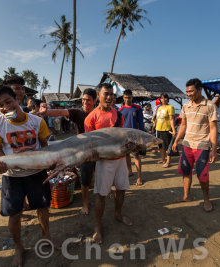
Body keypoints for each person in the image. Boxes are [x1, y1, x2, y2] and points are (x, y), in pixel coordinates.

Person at [0, 85, 57, 266]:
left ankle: (46, 236)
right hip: (12, 176)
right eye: (0, 105)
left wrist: (51, 162)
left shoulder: (36, 121)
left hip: (36, 172)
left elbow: (45, 145)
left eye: (8, 102)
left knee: (42, 207)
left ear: (17, 99)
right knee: (15, 213)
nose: (5, 107)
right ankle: (18, 247)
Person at [84, 83, 131, 244]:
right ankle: (98, 226)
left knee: (122, 189)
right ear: (98, 95)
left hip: (120, 160)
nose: (110, 97)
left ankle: (117, 214)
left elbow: (122, 137)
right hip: (104, 162)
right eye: (106, 94)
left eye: (111, 94)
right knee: (101, 195)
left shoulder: (119, 115)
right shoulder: (91, 117)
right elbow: (89, 145)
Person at [39, 88, 97, 215]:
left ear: (95, 101)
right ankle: (85, 203)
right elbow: (62, 111)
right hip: (84, 153)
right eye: (83, 99)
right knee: (85, 180)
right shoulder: (77, 112)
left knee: (100, 175)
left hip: (99, 151)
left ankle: (100, 196)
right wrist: (47, 111)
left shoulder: (98, 113)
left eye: (88, 100)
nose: (85, 102)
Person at [172, 78, 218, 212]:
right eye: (187, 91)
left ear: (199, 90)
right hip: (187, 144)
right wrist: (176, 140)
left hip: (202, 146)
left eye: (191, 91)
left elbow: (213, 128)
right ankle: (186, 196)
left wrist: (214, 149)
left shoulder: (210, 105)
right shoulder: (185, 106)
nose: (189, 94)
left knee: (202, 176)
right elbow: (183, 125)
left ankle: (206, 199)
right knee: (186, 172)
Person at [119, 89, 145, 186]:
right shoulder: (120, 110)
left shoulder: (137, 108)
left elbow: (141, 123)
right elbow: (120, 125)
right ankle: (129, 171)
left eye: (129, 97)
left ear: (132, 97)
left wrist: (142, 135)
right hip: (124, 136)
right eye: (125, 98)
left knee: (136, 156)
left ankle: (139, 177)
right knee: (126, 155)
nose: (127, 99)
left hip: (135, 136)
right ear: (123, 98)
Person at [154, 93, 176, 167]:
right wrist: (154, 127)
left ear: (168, 99)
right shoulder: (159, 108)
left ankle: (168, 161)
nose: (163, 99)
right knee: (161, 146)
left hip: (166, 130)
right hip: (158, 129)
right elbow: (157, 118)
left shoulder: (170, 107)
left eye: (165, 98)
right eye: (162, 98)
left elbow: (171, 119)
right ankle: (162, 159)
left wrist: (173, 130)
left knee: (167, 146)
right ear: (160, 99)